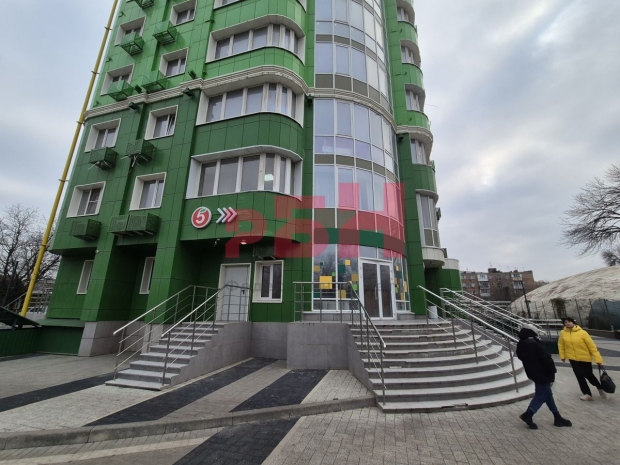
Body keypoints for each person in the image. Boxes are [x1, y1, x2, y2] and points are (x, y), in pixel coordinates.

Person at [516, 324, 572, 429]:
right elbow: (546, 358)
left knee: (547, 394)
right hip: (542, 372)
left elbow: (520, 356)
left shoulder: (521, 343)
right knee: (541, 395)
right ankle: (528, 414)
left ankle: (557, 417)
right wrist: (552, 370)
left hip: (532, 372)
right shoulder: (535, 343)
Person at [558, 317, 605, 401]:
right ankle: (587, 394)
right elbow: (561, 345)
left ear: (573, 322)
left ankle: (599, 387)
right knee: (579, 376)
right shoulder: (563, 333)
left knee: (589, 375)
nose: (567, 323)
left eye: (569, 322)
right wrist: (563, 356)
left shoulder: (583, 333)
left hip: (584, 358)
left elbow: (592, 346)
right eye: (565, 322)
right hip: (572, 358)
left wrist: (598, 359)